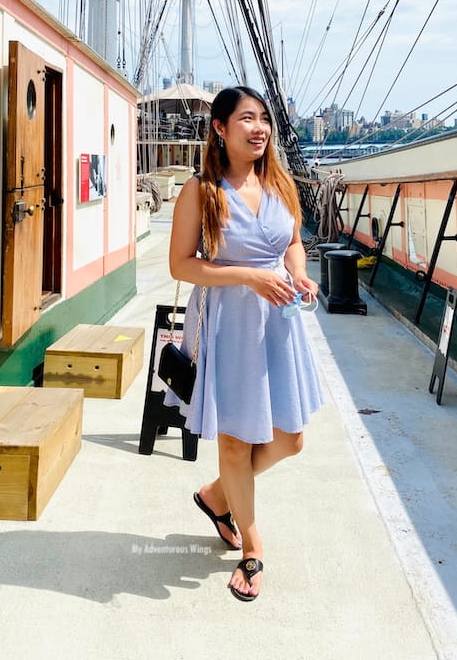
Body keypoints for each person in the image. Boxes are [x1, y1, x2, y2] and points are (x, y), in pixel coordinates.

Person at [166, 86, 324, 602]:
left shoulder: (279, 182)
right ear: (219, 128)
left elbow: (294, 242)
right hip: (229, 321)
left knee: (289, 437)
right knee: (235, 439)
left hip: (278, 322)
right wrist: (249, 278)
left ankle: (217, 495)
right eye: (246, 119)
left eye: (264, 120)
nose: (259, 129)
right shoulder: (201, 189)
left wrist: (299, 275)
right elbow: (181, 265)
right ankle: (252, 549)